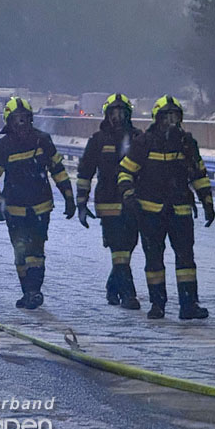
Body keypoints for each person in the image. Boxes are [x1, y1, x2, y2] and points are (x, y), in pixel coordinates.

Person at [117, 95, 214, 320]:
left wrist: (207, 201)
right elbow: (125, 171)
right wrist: (128, 194)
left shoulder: (186, 142)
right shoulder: (145, 142)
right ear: (157, 118)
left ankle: (188, 305)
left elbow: (198, 174)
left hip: (180, 211)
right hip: (150, 213)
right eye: (166, 116)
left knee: (186, 260)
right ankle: (157, 304)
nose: (170, 121)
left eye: (174, 116)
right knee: (154, 260)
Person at [0, 97, 76, 310]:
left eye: (25, 119)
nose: (22, 124)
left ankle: (34, 291)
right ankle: (28, 291)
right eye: (17, 119)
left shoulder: (42, 140)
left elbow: (58, 170)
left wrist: (68, 197)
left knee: (36, 251)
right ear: (9, 121)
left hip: (41, 207)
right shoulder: (1, 147)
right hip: (14, 210)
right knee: (20, 253)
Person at [76, 93, 143, 309]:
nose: (117, 117)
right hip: (107, 203)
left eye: (122, 112)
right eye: (113, 113)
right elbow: (85, 172)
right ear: (106, 115)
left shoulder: (138, 138)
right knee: (119, 250)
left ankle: (112, 287)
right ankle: (128, 295)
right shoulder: (98, 140)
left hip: (132, 202)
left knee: (128, 248)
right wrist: (81, 203)